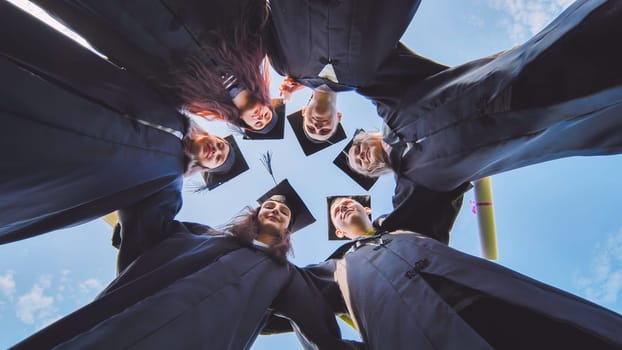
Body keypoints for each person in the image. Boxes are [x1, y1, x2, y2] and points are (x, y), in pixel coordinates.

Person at [10, 180, 359, 349]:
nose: (274, 210)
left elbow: (320, 331)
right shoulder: (199, 235)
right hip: (111, 323)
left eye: (282, 212)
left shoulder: (285, 276)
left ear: (287, 230)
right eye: (269, 206)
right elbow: (146, 223)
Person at [0, 3, 244, 243]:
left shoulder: (167, 185)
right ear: (213, 135)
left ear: (205, 167)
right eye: (221, 145)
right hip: (66, 81)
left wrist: (216, 240)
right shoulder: (173, 109)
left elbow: (148, 237)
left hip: (47, 154)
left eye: (218, 159)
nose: (217, 151)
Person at [348, 0, 622, 192]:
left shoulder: (393, 106)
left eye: (354, 147)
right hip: (545, 123)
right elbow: (408, 246)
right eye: (359, 164)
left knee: (596, 27)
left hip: (519, 71)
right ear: (374, 172)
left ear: (367, 134)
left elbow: (362, 65)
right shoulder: (417, 187)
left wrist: (323, 91)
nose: (358, 154)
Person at [302, 196, 622, 349]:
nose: (342, 208)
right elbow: (283, 290)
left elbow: (438, 183)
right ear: (340, 234)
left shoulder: (409, 224)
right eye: (336, 213)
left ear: (366, 208)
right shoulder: (340, 271)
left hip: (502, 308)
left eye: (346, 202)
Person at [31, 0, 282, 137]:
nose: (260, 118)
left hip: (137, 24)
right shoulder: (253, 52)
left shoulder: (194, 100)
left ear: (243, 123)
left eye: (257, 124)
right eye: (267, 116)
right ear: (268, 102)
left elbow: (143, 71)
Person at [267, 0, 447, 142]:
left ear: (304, 112)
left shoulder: (285, 65)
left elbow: (261, 17)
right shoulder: (367, 79)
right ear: (338, 117)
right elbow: (425, 81)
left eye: (311, 128)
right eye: (325, 130)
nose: (318, 126)